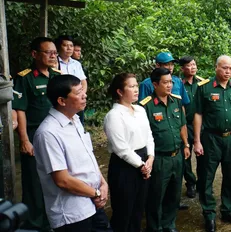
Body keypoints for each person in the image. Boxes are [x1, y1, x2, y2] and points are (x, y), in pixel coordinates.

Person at [33, 75, 108, 232]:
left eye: (83, 90)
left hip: (92, 205)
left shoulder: (75, 120)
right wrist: (95, 193)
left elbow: (89, 156)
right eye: (78, 92)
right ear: (62, 101)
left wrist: (102, 183)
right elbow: (63, 180)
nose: (84, 95)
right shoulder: (48, 133)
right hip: (72, 214)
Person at [194, 55, 231, 232]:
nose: (228, 72)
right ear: (216, 67)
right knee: (206, 177)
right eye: (224, 68)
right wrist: (196, 141)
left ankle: (227, 209)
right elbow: (198, 114)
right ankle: (209, 214)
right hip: (211, 138)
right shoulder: (204, 88)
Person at [12, 37, 61, 231]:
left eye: (55, 53)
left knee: (56, 176)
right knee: (34, 180)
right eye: (48, 52)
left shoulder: (57, 75)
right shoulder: (24, 78)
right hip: (35, 135)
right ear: (35, 54)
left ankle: (53, 220)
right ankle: (34, 224)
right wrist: (24, 140)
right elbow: (20, 109)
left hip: (57, 135)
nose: (53, 56)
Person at [140, 68, 191, 232]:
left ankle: (169, 224)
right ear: (155, 84)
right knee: (156, 195)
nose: (169, 85)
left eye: (171, 82)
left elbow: (182, 125)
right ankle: (155, 227)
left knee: (174, 193)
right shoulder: (146, 106)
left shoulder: (176, 101)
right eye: (165, 82)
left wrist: (186, 144)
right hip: (159, 158)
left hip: (177, 155)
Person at [103, 73, 155, 232]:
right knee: (123, 210)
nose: (136, 89)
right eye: (131, 86)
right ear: (119, 91)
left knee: (138, 210)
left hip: (144, 161)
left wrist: (151, 158)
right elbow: (121, 148)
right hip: (124, 166)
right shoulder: (114, 116)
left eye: (136, 86)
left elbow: (149, 136)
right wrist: (142, 165)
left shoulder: (140, 110)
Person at [180, 56, 207, 198]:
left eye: (194, 64)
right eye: (189, 65)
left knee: (203, 154)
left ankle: (203, 182)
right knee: (186, 156)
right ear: (182, 69)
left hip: (201, 126)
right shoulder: (178, 84)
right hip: (185, 125)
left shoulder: (202, 83)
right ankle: (190, 182)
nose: (193, 67)